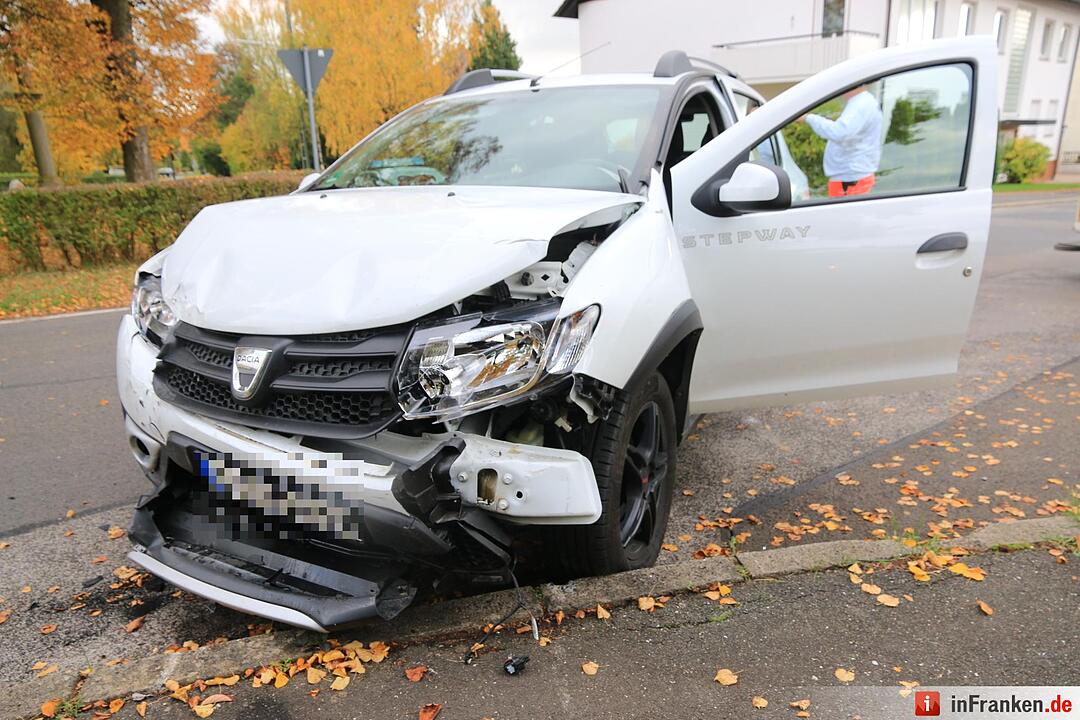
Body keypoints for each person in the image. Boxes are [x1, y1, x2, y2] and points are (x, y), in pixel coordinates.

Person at [801, 85, 883, 198]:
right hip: (851, 178)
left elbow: (840, 132)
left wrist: (809, 118)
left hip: (851, 180)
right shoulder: (862, 102)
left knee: (844, 215)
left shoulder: (861, 104)